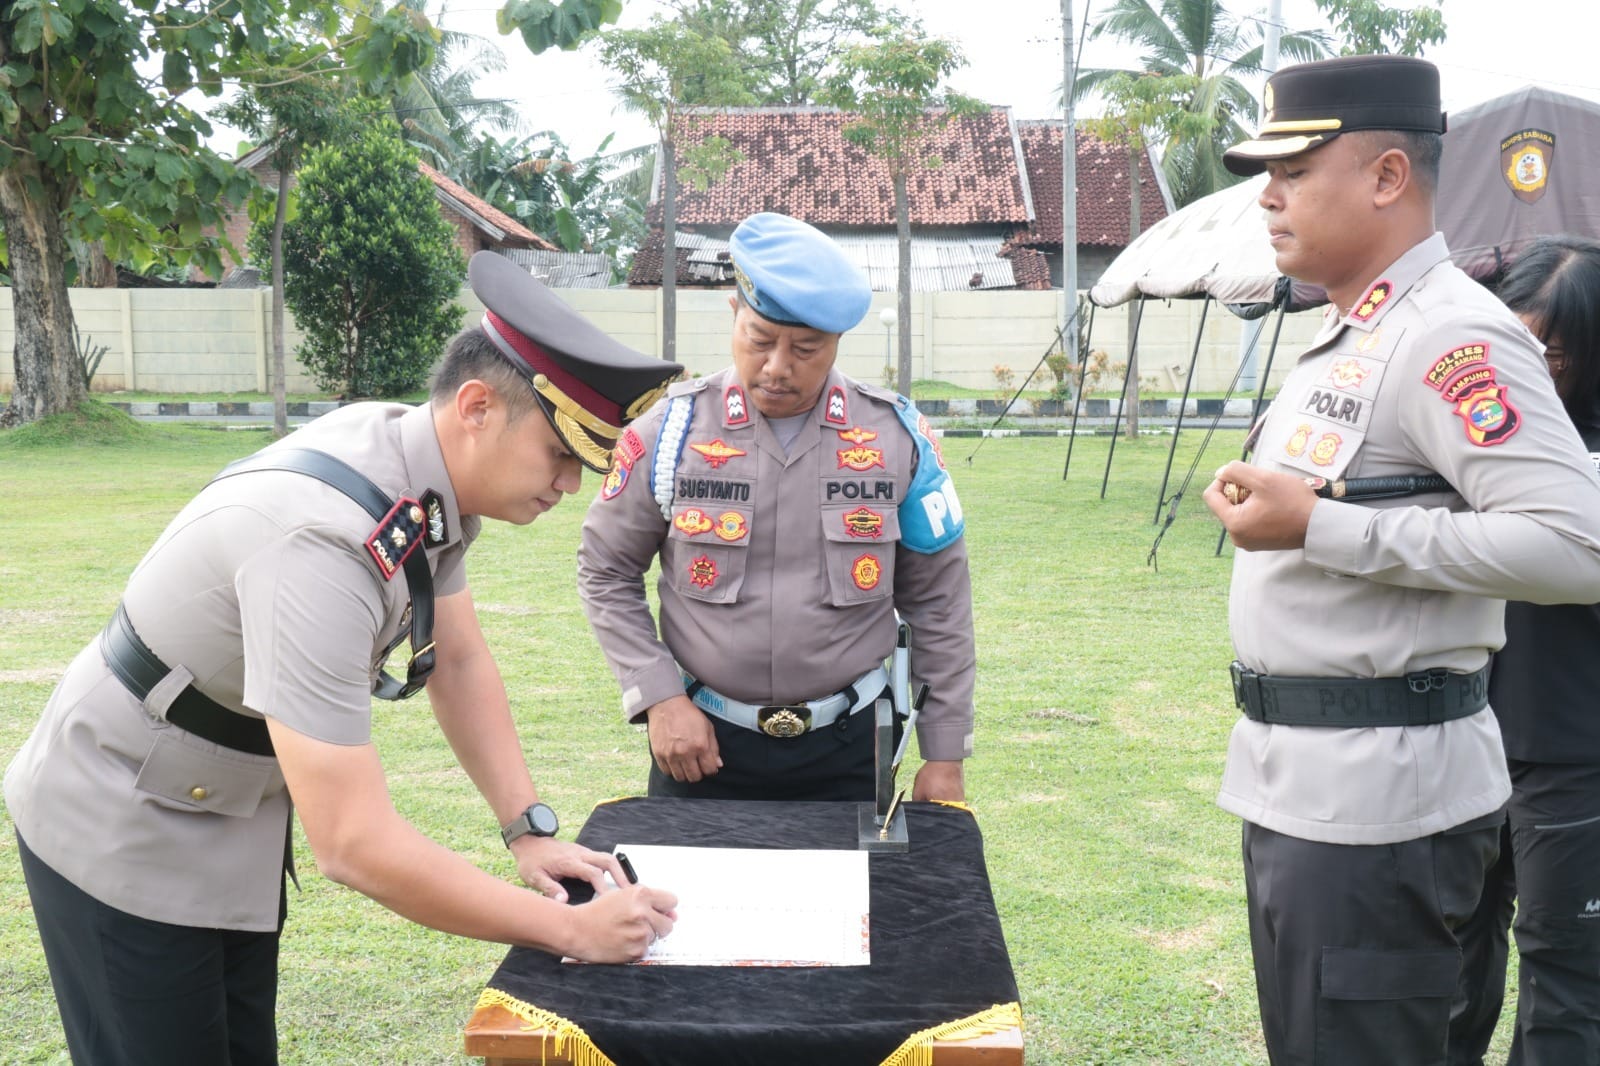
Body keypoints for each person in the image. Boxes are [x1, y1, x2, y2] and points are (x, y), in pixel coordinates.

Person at [4, 251, 682, 1066]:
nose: (571, 484)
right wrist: (566, 928)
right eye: (563, 453)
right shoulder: (319, 544)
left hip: (225, 807)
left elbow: (457, 659)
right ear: (475, 407)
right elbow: (353, 843)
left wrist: (526, 828)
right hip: (123, 816)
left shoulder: (423, 473)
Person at [1202, 55, 1600, 1065]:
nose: (1268, 194)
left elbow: (1573, 544)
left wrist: (1320, 527)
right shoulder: (1353, 332)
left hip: (1378, 811)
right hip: (1305, 783)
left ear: (1386, 177)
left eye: (1294, 169)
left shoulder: (1449, 337)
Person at [577, 212, 975, 803]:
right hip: (700, 744)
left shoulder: (898, 439)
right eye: (759, 339)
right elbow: (605, 571)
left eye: (805, 349)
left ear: (836, 344)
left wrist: (943, 753)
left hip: (850, 748)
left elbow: (939, 601)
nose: (777, 366)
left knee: (855, 899)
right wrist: (660, 696)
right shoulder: (670, 433)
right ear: (734, 316)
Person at [1450, 235, 1600, 1065]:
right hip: (1464, 737)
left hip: (1574, 758)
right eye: (1516, 345)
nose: (1532, 371)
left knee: (1566, 975)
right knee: (1453, 963)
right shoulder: (1468, 436)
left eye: (1558, 354)